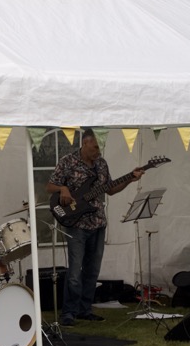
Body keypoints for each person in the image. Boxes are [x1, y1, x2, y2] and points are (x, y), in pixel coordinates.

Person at [46, 129, 144, 326]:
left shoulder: (101, 164)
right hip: (76, 224)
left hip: (98, 223)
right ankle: (69, 312)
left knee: (92, 271)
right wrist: (63, 188)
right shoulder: (68, 161)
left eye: (100, 148)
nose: (98, 151)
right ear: (85, 143)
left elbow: (110, 189)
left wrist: (129, 179)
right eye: (95, 147)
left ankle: (85, 309)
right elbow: (49, 186)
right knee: (75, 272)